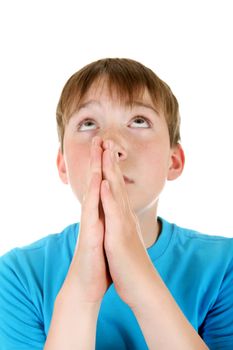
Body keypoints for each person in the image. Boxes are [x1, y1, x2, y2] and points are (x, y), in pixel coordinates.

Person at [0, 58, 232, 350]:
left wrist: (141, 281)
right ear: (63, 165)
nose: (110, 144)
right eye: (88, 123)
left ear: (174, 161)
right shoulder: (19, 275)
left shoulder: (224, 266)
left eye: (139, 121)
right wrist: (83, 294)